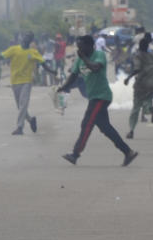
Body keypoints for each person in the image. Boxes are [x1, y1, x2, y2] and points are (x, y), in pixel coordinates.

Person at [57, 36, 138, 167]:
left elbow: (95, 68)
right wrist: (63, 87)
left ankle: (75, 154)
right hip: (93, 96)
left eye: (81, 46)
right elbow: (73, 76)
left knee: (87, 123)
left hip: (102, 96)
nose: (79, 49)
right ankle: (128, 152)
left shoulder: (99, 55)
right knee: (105, 128)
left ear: (90, 45)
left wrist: (83, 57)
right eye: (78, 46)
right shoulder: (79, 61)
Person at [0, 32, 43, 135]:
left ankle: (20, 127)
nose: (26, 38)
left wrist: (52, 71)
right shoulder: (14, 49)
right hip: (15, 81)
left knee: (23, 105)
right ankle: (30, 120)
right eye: (25, 36)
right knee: (20, 106)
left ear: (31, 41)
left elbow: (43, 63)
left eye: (29, 38)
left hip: (27, 81)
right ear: (22, 38)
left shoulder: (33, 52)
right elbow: (1, 57)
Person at [122, 33, 153, 140]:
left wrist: (128, 78)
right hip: (152, 85)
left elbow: (137, 69)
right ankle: (151, 109)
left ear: (140, 46)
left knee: (136, 108)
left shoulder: (138, 55)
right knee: (148, 103)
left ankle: (131, 130)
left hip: (141, 85)